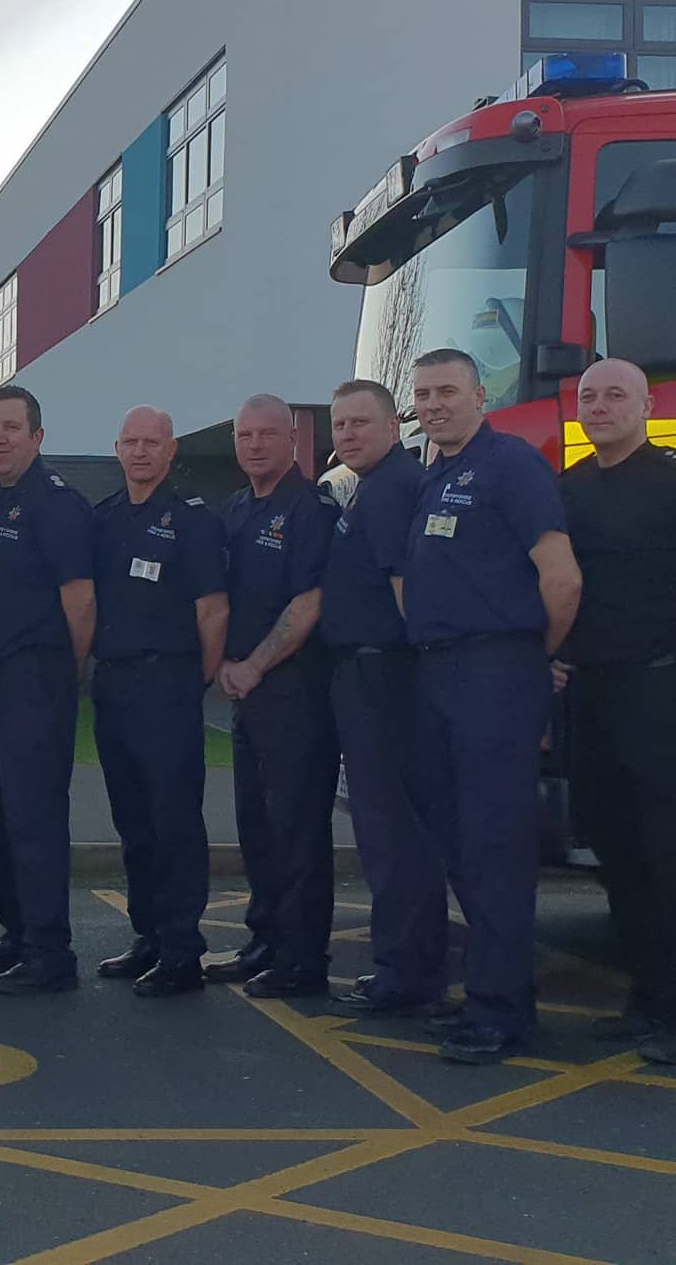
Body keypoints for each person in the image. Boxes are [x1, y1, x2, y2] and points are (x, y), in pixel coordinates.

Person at [400, 347, 581, 1065]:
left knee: (494, 844)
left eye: (448, 390)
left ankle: (503, 1012)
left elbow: (560, 580)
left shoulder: (511, 465)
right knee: (458, 842)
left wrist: (528, 661)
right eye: (423, 393)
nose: (434, 403)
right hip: (441, 675)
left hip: (495, 672)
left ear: (481, 395)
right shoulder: (434, 473)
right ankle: (485, 993)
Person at [553, 358, 676, 1064]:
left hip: (665, 693)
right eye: (589, 396)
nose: (600, 407)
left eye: (615, 395)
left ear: (648, 404)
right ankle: (647, 999)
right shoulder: (567, 487)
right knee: (619, 855)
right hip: (591, 694)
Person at [321, 380, 450, 1021]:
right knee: (384, 831)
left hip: (386, 680)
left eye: (360, 423)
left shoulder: (393, 490)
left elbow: (407, 589)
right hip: (367, 678)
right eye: (339, 424)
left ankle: (407, 975)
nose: (346, 434)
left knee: (393, 831)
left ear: (393, 426)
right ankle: (404, 965)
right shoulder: (370, 486)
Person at [89, 405, 226, 998]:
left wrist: (192, 682)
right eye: (131, 442)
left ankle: (181, 951)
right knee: (133, 822)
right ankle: (147, 936)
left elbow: (213, 611)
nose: (141, 452)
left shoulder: (191, 522)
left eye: (153, 443)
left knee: (174, 823)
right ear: (117, 449)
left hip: (167, 685)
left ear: (171, 452)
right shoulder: (106, 519)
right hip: (114, 685)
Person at [211, 395, 341, 999]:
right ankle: (264, 940)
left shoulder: (309, 507)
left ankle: (301, 958)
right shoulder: (237, 507)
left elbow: (309, 602)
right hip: (246, 695)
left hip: (293, 693)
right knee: (256, 826)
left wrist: (254, 666)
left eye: (267, 434)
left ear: (293, 440)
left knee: (297, 831)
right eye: (244, 434)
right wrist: (227, 669)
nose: (254, 444)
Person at [0, 384, 95, 993]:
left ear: (37, 437)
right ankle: (18, 934)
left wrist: (63, 675)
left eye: (11, 428)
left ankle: (51, 953)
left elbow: (80, 599)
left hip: (36, 676)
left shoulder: (56, 504)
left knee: (34, 819)